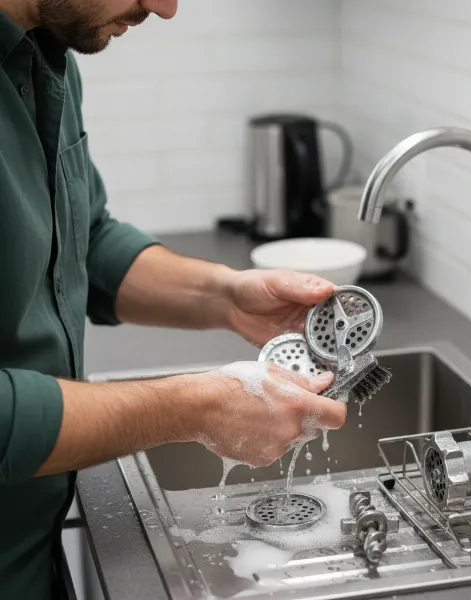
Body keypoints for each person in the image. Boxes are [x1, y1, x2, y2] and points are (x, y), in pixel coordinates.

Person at [0, 1, 347, 598]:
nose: (163, 7)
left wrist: (227, 295)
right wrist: (190, 408)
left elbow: (82, 239)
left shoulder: (45, 50)